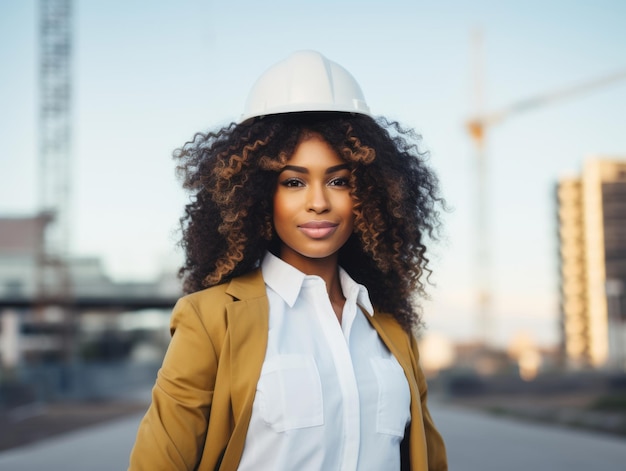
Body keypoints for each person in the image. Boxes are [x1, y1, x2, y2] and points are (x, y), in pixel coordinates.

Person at [128, 50, 447, 471]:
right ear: (258, 194)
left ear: (369, 195)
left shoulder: (390, 328)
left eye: (339, 181)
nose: (318, 203)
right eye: (293, 182)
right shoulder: (211, 320)